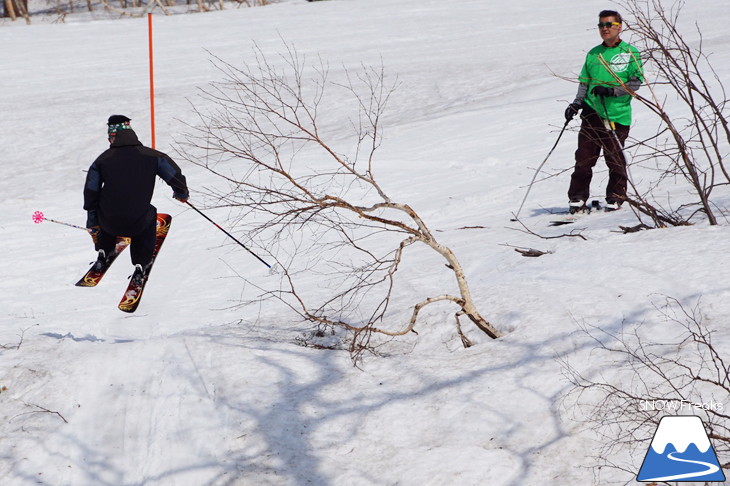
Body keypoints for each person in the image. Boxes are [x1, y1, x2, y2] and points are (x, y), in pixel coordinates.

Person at [83, 115, 189, 283]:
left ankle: (103, 252)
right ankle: (141, 266)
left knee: (106, 208)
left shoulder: (102, 160)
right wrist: (181, 194)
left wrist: (92, 222)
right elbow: (174, 176)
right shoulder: (153, 156)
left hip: (108, 223)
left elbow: (91, 193)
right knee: (148, 213)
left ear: (113, 137)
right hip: (137, 222)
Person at [565, 10, 643, 212]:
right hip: (592, 114)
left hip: (617, 115)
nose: (604, 29)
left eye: (609, 24)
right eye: (601, 25)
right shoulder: (594, 54)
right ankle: (577, 198)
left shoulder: (630, 53)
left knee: (614, 159)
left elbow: (635, 82)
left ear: (619, 26)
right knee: (583, 159)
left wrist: (611, 91)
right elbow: (584, 82)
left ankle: (616, 197)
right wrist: (576, 103)